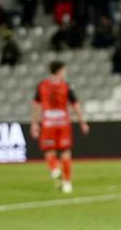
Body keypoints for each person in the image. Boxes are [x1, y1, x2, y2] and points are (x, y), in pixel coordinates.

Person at [31, 61, 90, 193]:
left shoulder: (42, 85)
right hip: (63, 123)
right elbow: (75, 105)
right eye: (64, 70)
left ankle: (54, 169)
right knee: (65, 152)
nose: (65, 72)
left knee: (49, 151)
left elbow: (36, 105)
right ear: (59, 71)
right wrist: (82, 122)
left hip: (48, 123)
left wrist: (35, 123)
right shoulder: (66, 86)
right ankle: (67, 183)